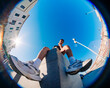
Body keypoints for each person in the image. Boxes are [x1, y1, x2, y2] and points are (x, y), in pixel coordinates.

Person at [10, 39, 92, 81]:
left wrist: (61, 44)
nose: (60, 42)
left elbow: (62, 48)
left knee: (66, 46)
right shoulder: (53, 47)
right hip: (51, 52)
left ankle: (73, 63)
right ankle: (34, 67)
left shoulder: (61, 47)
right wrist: (57, 46)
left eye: (61, 42)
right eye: (60, 42)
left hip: (61, 52)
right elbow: (53, 48)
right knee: (45, 48)